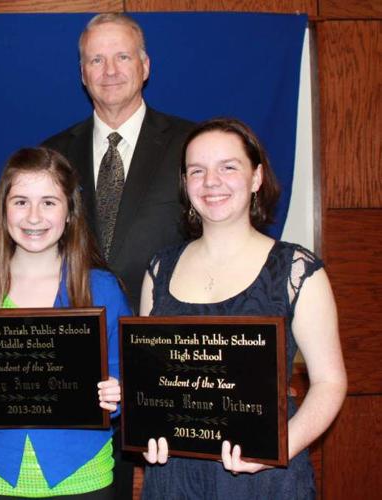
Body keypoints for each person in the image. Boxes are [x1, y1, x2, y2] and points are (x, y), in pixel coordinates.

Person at [139, 118, 347, 499]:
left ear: (256, 177)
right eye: (196, 171)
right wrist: (145, 425)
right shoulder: (158, 269)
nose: (211, 181)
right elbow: (152, 381)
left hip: (265, 478)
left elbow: (330, 383)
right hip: (174, 478)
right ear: (185, 184)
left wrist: (278, 447)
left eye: (228, 167)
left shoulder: (296, 270)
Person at [0, 147, 132, 498]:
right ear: (3, 209)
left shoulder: (101, 289)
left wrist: (118, 393)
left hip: (81, 474)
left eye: (49, 202)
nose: (34, 216)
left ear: (70, 211)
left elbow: (128, 381)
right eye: (21, 201)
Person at [43, 12, 194, 310]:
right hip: (79, 325)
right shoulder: (53, 155)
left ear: (145, 67)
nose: (109, 71)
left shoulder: (189, 145)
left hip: (166, 324)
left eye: (122, 57)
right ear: (83, 74)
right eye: (96, 60)